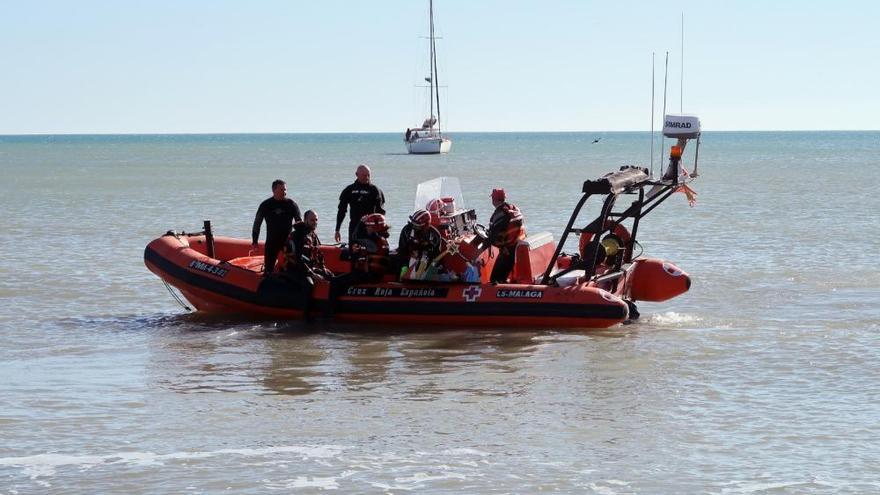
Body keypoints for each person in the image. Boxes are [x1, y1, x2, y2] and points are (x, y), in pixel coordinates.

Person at [252, 179, 302, 275]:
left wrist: (300, 239)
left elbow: (298, 223)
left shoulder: (291, 204)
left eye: (285, 190)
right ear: (274, 190)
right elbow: (257, 223)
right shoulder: (266, 205)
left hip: (287, 242)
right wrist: (255, 241)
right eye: (282, 190)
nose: (285, 192)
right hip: (272, 241)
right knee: (268, 270)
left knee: (293, 269)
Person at [334, 164, 386, 243]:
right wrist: (337, 230)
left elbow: (381, 213)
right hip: (354, 226)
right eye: (364, 175)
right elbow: (341, 211)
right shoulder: (349, 190)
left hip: (371, 228)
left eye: (368, 175)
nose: (367, 177)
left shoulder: (375, 190)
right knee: (354, 252)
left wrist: (381, 230)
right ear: (356, 175)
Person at [484, 188, 526, 284]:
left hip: (506, 250)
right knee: (503, 274)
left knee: (494, 279)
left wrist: (482, 246)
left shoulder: (500, 214)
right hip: (515, 246)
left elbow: (493, 236)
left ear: (493, 200)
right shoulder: (513, 208)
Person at [281, 210, 332, 281]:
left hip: (307, 267)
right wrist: (312, 274)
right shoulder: (298, 235)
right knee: (309, 284)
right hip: (294, 268)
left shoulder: (312, 234)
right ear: (305, 220)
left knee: (330, 275)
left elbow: (318, 252)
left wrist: (323, 267)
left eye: (316, 220)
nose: (315, 222)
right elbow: (298, 258)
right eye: (312, 220)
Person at [396, 209, 442, 277]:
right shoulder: (407, 230)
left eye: (416, 225)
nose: (413, 227)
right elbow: (402, 249)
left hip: (426, 260)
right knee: (403, 266)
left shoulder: (435, 235)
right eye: (413, 224)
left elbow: (436, 255)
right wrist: (404, 265)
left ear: (425, 225)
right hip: (409, 257)